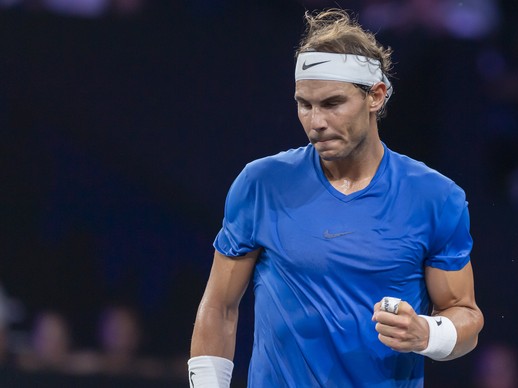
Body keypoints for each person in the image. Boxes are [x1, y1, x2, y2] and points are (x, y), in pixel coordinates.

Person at [189, 8, 484, 387]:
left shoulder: (436, 197)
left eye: (332, 103)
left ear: (375, 96)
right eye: (304, 104)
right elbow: (219, 308)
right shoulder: (261, 183)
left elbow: (464, 315)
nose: (315, 122)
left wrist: (428, 334)